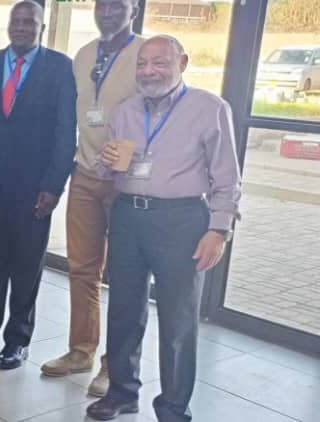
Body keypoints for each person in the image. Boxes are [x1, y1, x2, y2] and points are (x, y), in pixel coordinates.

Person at [86, 35, 241, 422]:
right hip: (127, 216)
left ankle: (173, 407)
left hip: (182, 220)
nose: (149, 71)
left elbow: (227, 177)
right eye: (142, 64)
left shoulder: (209, 109)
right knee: (123, 310)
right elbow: (110, 169)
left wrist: (218, 230)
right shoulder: (124, 111)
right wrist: (105, 162)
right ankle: (122, 392)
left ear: (182, 62)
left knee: (177, 320)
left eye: (159, 62)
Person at [42, 0, 146, 397]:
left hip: (127, 182)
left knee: (124, 274)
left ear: (133, 10)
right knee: (83, 268)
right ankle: (81, 350)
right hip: (84, 176)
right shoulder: (84, 55)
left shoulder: (144, 54)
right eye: (101, 4)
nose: (107, 11)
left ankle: (113, 366)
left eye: (117, 5)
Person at [0, 1, 77, 370]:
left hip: (34, 188)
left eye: (31, 22)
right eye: (17, 21)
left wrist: (53, 185)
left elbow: (65, 131)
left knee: (26, 265)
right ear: (8, 25)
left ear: (42, 28)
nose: (22, 27)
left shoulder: (60, 67)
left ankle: (17, 340)